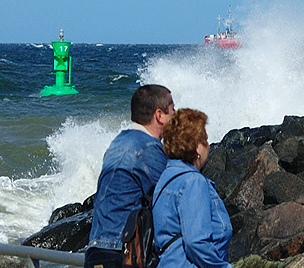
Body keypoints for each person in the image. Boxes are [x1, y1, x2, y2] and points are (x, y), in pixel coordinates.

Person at [85, 84, 175, 268]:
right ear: (159, 115)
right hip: (121, 254)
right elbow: (174, 194)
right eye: (173, 109)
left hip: (97, 249)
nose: (176, 115)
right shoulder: (148, 148)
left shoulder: (119, 142)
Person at [153, 108, 232, 268]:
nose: (208, 146)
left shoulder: (166, 177)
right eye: (205, 140)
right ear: (196, 146)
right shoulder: (193, 182)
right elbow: (196, 242)